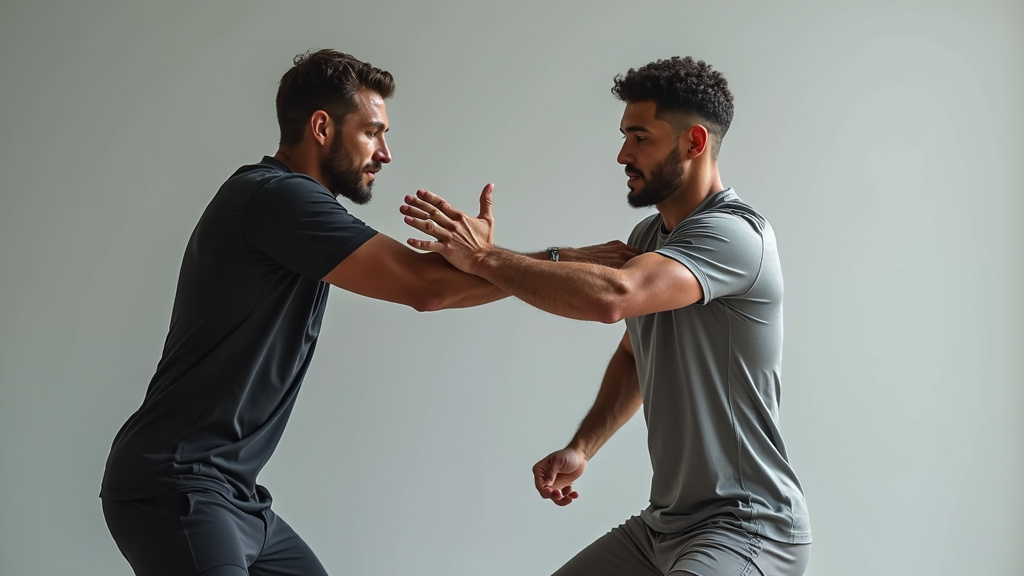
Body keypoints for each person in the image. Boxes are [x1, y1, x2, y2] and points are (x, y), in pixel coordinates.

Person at [99, 49, 635, 576]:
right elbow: (428, 289)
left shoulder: (289, 205)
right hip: (177, 486)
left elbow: (443, 282)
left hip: (233, 495)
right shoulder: (277, 199)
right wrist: (557, 260)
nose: (385, 153)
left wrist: (500, 262)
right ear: (321, 127)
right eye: (372, 132)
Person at [401, 56, 812, 575]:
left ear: (695, 142)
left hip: (747, 528)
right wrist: (583, 447)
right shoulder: (649, 240)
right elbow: (635, 352)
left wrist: (486, 257)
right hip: (664, 525)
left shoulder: (734, 235)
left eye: (640, 137)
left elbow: (612, 298)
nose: (622, 154)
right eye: (624, 136)